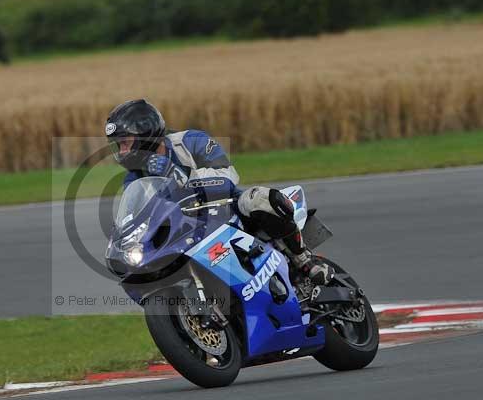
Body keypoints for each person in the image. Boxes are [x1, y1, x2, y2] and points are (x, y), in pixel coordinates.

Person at [105, 98, 333, 285]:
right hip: (186, 228)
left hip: (226, 207)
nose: (122, 151)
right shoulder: (134, 178)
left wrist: (178, 173)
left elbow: (228, 175)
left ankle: (304, 259)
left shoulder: (190, 141)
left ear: (146, 134)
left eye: (125, 142)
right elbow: (141, 215)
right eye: (118, 145)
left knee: (260, 199)